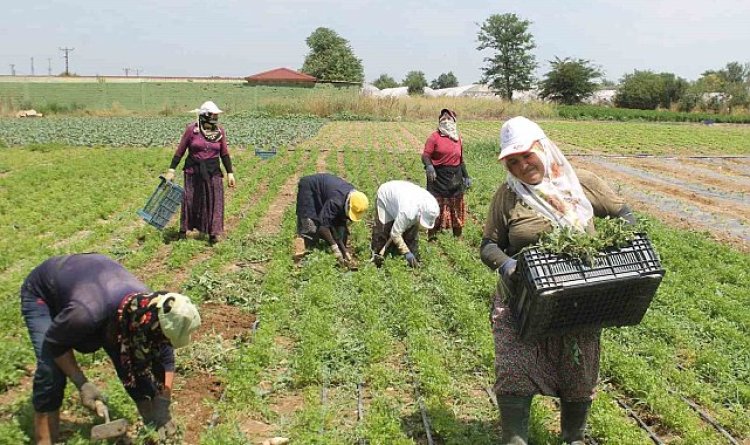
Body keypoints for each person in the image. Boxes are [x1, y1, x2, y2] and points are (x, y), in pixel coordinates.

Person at [480, 117, 636, 445]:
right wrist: (507, 263)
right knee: (514, 368)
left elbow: (623, 214)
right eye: (513, 161)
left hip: (577, 301)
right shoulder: (507, 196)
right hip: (522, 302)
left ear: (543, 148)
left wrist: (623, 243)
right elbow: (489, 245)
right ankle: (515, 440)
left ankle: (573, 438)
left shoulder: (581, 183)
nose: (523, 166)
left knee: (578, 371)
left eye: (527, 156)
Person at [20, 253, 202, 445]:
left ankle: (151, 425)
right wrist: (82, 383)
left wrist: (162, 405)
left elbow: (164, 358)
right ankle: (45, 440)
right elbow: (54, 343)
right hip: (45, 293)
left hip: (91, 287)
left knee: (129, 354)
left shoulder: (148, 310)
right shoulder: (87, 314)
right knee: (51, 370)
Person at [164, 100, 236, 244]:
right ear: (204, 115)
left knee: (214, 201)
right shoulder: (192, 130)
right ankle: (184, 231)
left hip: (213, 171)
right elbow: (180, 150)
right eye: (212, 115)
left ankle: (212, 233)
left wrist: (230, 173)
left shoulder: (220, 132)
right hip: (193, 170)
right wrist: (171, 169)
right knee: (191, 199)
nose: (215, 118)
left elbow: (224, 153)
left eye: (216, 115)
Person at [294, 173, 369, 266]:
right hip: (309, 189)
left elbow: (339, 223)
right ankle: (311, 254)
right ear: (349, 205)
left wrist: (344, 250)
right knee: (310, 225)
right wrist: (334, 247)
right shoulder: (336, 201)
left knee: (339, 225)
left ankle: (343, 255)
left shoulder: (354, 198)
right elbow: (323, 226)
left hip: (325, 194)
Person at [422, 108, 472, 239]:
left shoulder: (458, 139)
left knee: (456, 208)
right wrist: (429, 166)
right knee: (435, 208)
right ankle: (432, 238)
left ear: (454, 121)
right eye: (443, 119)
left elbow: (460, 160)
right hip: (438, 178)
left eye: (448, 118)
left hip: (455, 178)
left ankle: (457, 239)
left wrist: (466, 175)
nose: (445, 120)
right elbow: (426, 155)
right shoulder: (434, 137)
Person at [370, 180, 440, 268]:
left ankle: (412, 260)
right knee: (383, 231)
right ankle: (377, 256)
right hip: (386, 197)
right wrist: (407, 253)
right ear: (420, 213)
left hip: (403, 198)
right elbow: (395, 234)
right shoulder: (408, 212)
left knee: (410, 234)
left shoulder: (432, 206)